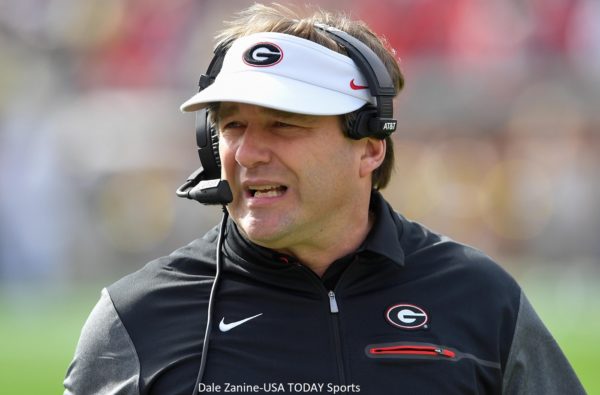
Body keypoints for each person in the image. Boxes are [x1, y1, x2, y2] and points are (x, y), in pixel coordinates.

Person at [64, 3, 585, 395]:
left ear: (370, 148)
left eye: (283, 126)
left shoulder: (481, 299)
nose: (246, 152)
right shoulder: (135, 317)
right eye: (232, 126)